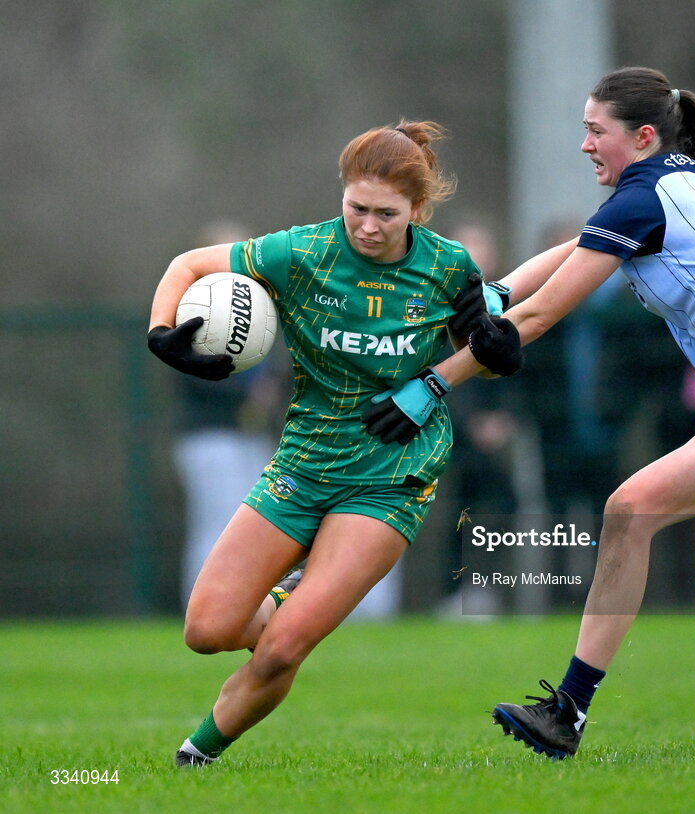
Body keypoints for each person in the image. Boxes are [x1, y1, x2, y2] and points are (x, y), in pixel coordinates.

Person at [364, 67, 695, 757]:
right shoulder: (673, 179)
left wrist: (430, 387)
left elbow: (537, 316)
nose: (586, 145)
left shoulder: (643, 200)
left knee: (630, 509)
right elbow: (565, 257)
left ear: (643, 136)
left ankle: (568, 711)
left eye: (597, 132)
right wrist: (490, 293)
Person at [147, 120, 507, 767]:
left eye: (386, 214)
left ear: (418, 212)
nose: (367, 225)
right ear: (342, 194)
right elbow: (186, 265)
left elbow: (475, 346)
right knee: (207, 630)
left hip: (391, 475)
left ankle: (193, 758)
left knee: (285, 647)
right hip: (304, 464)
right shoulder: (302, 252)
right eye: (356, 208)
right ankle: (294, 600)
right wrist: (162, 330)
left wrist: (492, 350)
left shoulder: (448, 267)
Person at [174, 221, 286, 611]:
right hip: (209, 437)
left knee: (252, 527)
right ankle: (201, 606)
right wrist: (244, 393)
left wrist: (269, 389)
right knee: (214, 525)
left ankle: (241, 605)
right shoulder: (191, 307)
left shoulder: (258, 304)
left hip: (250, 437)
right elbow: (191, 377)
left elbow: (272, 368)